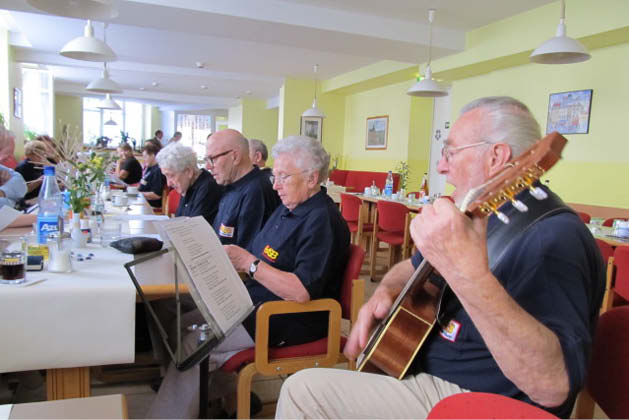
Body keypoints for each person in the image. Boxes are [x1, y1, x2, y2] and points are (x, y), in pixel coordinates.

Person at [275, 97, 605, 419]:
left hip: (478, 399)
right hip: (419, 362)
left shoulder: (554, 239)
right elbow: (411, 267)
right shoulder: (483, 217)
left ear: (496, 157)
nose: (441, 165)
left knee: (303, 393)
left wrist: (468, 274)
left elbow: (553, 386)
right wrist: (387, 290)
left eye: (450, 151)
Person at [147, 135, 350, 419]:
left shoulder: (322, 220)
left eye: (283, 177)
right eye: (275, 176)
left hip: (287, 317)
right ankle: (216, 396)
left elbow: (301, 291)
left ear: (312, 178)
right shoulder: (287, 208)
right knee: (181, 320)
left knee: (195, 342)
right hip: (255, 302)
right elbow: (257, 255)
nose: (275, 185)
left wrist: (248, 262)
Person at [206, 129, 279, 247]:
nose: (208, 166)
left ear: (235, 156)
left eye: (212, 159)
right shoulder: (231, 185)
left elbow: (245, 254)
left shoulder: (256, 192)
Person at [155, 142, 223, 224]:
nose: (168, 183)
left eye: (171, 176)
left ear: (189, 171)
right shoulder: (188, 185)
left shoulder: (208, 188)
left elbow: (193, 230)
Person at [138, 143, 166, 208]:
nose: (144, 159)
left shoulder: (158, 171)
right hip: (142, 201)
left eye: (145, 157)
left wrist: (138, 194)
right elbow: (143, 184)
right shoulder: (149, 168)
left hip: (150, 205)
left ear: (153, 155)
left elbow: (156, 195)